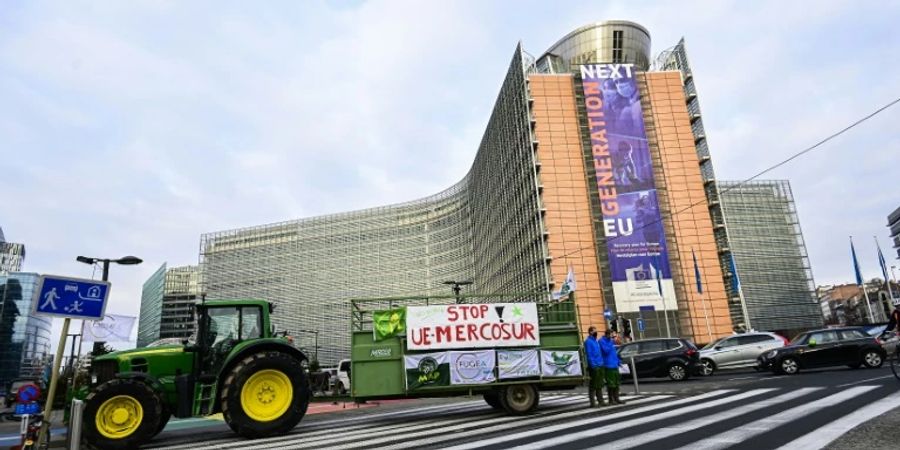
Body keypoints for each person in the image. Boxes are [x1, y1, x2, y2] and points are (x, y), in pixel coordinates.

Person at [599, 330, 625, 405]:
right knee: (611, 383)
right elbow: (606, 351)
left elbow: (613, 353)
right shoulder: (602, 341)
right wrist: (611, 342)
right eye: (612, 335)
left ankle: (616, 398)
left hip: (614, 364)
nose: (613, 336)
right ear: (608, 335)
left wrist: (618, 361)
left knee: (617, 383)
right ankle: (611, 399)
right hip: (608, 365)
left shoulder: (610, 341)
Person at [584, 326, 605, 407]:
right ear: (590, 332)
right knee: (593, 385)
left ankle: (601, 401)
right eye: (594, 331)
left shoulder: (595, 341)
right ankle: (593, 403)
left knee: (599, 384)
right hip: (594, 366)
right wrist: (593, 365)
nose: (596, 332)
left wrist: (601, 363)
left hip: (600, 364)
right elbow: (589, 355)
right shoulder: (588, 342)